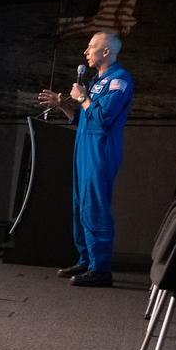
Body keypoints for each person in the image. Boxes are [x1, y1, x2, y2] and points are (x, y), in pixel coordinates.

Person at [37, 31, 135, 288]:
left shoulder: (119, 80)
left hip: (101, 151)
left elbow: (103, 119)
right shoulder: (94, 82)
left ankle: (101, 269)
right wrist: (63, 105)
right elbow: (84, 118)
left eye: (91, 46)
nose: (86, 52)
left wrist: (83, 97)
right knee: (80, 205)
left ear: (106, 52)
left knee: (95, 207)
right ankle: (86, 260)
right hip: (84, 148)